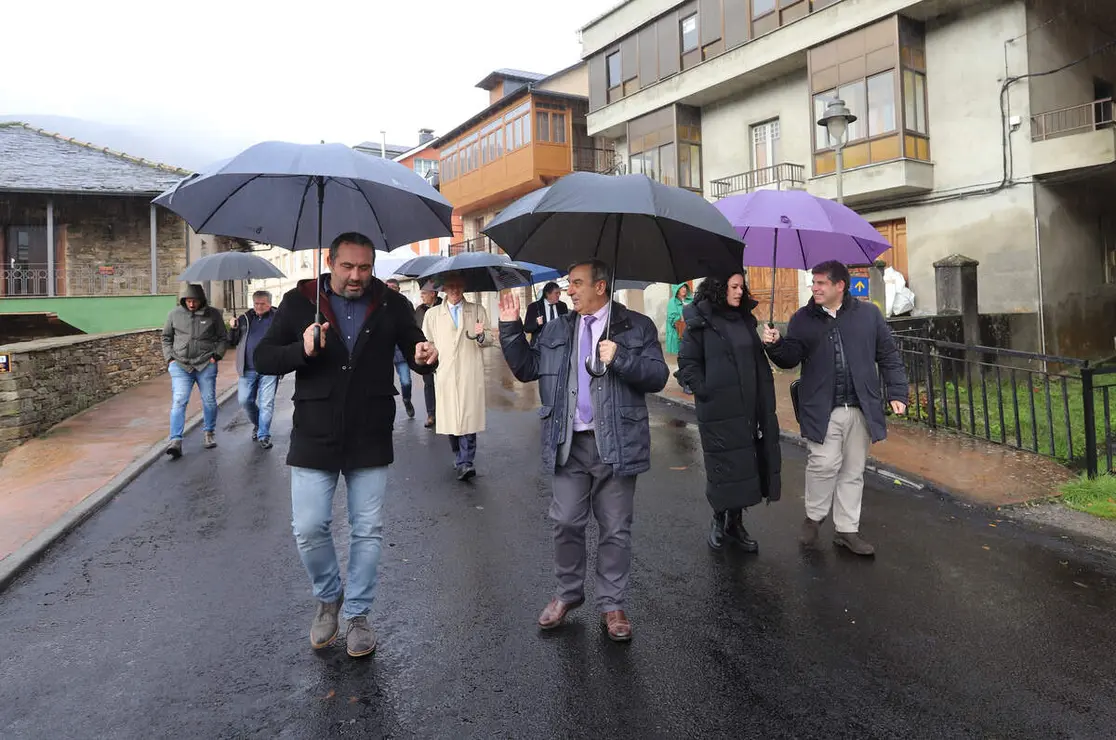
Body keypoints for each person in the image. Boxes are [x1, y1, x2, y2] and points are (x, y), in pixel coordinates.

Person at [254, 232, 438, 658]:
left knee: (367, 529)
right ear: (329, 262)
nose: (356, 276)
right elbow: (263, 358)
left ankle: (357, 613)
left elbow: (414, 346)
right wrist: (301, 350)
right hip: (315, 429)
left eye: (364, 268)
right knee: (309, 527)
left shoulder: (392, 303)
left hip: (370, 428)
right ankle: (328, 596)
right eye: (347, 267)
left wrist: (426, 356)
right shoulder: (299, 302)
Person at [499, 260, 668, 642]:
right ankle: (568, 593)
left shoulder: (635, 326)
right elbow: (528, 369)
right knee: (565, 522)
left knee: (615, 530)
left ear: (601, 287)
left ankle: (612, 604)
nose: (569, 290)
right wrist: (510, 330)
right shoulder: (557, 327)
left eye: (577, 283)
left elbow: (658, 376)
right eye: (569, 283)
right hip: (569, 443)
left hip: (616, 444)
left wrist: (620, 357)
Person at [762, 260, 908, 557]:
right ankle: (814, 516)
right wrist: (775, 344)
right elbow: (791, 357)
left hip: (860, 406)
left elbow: (888, 355)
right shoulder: (804, 319)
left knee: (853, 470)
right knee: (823, 463)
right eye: (813, 283)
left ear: (840, 285)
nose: (814, 287)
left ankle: (846, 530)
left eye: (821, 283)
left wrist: (897, 392)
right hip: (822, 406)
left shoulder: (868, 315)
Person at [675, 274, 781, 552]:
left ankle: (735, 523)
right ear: (718, 289)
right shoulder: (701, 320)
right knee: (724, 468)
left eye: (741, 286)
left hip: (749, 406)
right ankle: (718, 519)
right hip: (719, 409)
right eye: (733, 286)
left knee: (745, 466)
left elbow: (752, 358)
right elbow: (687, 362)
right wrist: (706, 390)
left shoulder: (745, 319)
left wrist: (769, 342)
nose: (739, 291)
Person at [421, 273, 492, 481]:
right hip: (446, 371)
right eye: (450, 286)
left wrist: (481, 336)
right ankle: (457, 454)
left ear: (464, 287)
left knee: (468, 417)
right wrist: (427, 354)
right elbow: (427, 341)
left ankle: (466, 462)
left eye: (459, 286)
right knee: (451, 419)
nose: (455, 290)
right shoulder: (432, 315)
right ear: (443, 289)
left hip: (470, 370)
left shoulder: (477, 310)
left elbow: (488, 337)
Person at [161, 283, 227, 459]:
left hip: (206, 363)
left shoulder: (213, 314)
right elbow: (166, 338)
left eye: (195, 301)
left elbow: (222, 337)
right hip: (181, 365)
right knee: (179, 401)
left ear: (201, 300)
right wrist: (170, 359)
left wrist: (216, 356)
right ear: (184, 301)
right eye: (189, 301)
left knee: (209, 400)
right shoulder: (174, 315)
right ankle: (175, 440)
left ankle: (209, 433)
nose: (191, 304)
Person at [228, 290, 279, 449]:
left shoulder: (278, 318)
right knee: (244, 400)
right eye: (256, 303)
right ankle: (258, 424)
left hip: (270, 368)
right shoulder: (244, 319)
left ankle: (264, 434)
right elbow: (232, 342)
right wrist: (234, 328)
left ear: (269, 303)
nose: (258, 307)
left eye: (262, 304)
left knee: (266, 403)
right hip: (248, 368)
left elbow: (287, 338)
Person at [385, 278, 415, 419]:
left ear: (398, 289)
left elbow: (412, 327)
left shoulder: (405, 304)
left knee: (406, 381)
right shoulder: (379, 304)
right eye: (387, 287)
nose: (390, 290)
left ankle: (407, 400)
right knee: (384, 384)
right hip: (385, 351)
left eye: (393, 288)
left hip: (401, 351)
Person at [414, 282, 443, 429]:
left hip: (443, 352)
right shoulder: (419, 310)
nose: (422, 297)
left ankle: (445, 412)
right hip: (426, 352)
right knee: (429, 383)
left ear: (433, 293)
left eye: (424, 294)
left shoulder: (444, 307)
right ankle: (431, 414)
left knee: (444, 383)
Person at [666, 283, 693, 394]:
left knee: (691, 358)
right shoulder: (672, 302)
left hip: (691, 333)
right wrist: (682, 315)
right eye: (681, 287)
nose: (683, 290)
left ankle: (680, 374)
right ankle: (686, 383)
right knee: (684, 358)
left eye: (685, 288)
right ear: (676, 289)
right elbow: (672, 319)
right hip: (679, 335)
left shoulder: (690, 300)